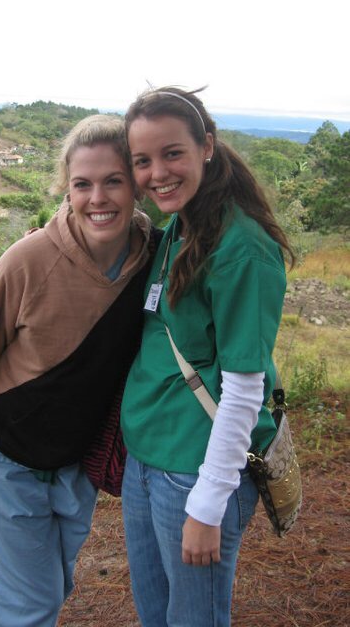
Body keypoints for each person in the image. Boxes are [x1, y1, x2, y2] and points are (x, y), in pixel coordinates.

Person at [0, 114, 156, 627]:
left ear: (136, 187)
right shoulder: (28, 261)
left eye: (113, 181)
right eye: (83, 184)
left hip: (74, 465)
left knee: (50, 589)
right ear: (67, 189)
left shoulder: (155, 260)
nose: (98, 198)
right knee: (25, 607)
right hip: (4, 458)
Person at [120, 87, 294, 627]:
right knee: (155, 615)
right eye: (142, 161)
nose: (157, 173)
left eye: (173, 153)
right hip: (145, 462)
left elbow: (245, 387)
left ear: (208, 147)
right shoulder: (179, 227)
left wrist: (208, 502)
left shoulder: (242, 248)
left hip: (193, 474)